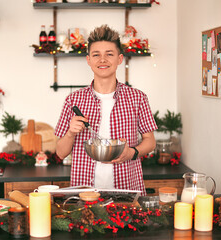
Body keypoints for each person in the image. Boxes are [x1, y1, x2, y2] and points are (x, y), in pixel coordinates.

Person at [54, 25, 157, 195]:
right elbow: (60, 153)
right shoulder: (73, 100)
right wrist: (71, 133)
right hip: (85, 193)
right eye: (96, 55)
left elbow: (150, 141)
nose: (102, 60)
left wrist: (131, 152)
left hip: (127, 190)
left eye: (109, 54)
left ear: (120, 59)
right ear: (88, 60)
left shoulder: (137, 98)